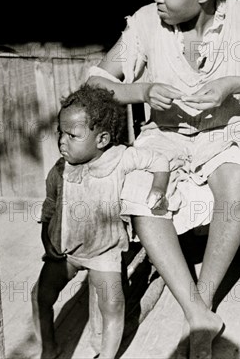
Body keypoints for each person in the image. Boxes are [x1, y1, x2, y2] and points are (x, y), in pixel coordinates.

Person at [85, 0, 240, 357]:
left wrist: (234, 83)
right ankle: (199, 315)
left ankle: (201, 302)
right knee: (141, 190)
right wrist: (142, 91)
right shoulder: (145, 23)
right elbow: (96, 81)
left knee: (238, 180)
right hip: (165, 136)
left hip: (229, 132)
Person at [31, 85, 170, 359]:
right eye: (61, 132)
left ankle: (106, 356)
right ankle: (49, 347)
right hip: (65, 252)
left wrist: (159, 188)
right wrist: (48, 243)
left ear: (102, 139)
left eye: (73, 135)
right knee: (40, 296)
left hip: (104, 253)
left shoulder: (119, 158)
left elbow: (159, 160)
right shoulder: (59, 170)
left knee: (113, 306)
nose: (62, 141)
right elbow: (48, 210)